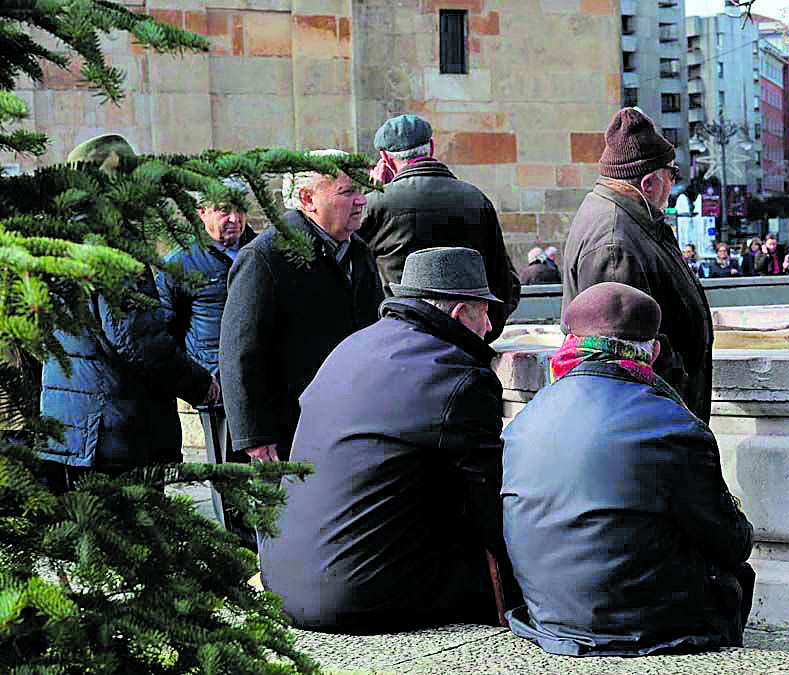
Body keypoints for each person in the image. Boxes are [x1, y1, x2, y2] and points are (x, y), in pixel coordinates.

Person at [259, 247, 519, 633]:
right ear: (459, 313)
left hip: (280, 577)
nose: (488, 327)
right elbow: (493, 501)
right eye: (485, 312)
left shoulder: (353, 346)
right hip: (354, 594)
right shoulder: (457, 376)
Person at [502, 282, 754, 657]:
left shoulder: (526, 418)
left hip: (548, 619)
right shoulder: (672, 424)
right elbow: (732, 542)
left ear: (571, 343)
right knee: (733, 575)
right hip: (649, 628)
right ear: (652, 351)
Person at [40, 134, 219, 492]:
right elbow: (135, 339)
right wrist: (202, 386)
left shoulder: (57, 241)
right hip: (115, 433)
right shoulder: (109, 244)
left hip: (71, 431)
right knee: (136, 541)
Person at [220, 150, 384, 465]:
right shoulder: (265, 256)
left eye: (362, 190)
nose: (361, 200)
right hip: (290, 431)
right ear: (307, 199)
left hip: (353, 422)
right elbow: (240, 351)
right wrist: (254, 435)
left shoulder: (360, 253)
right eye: (348, 191)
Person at [561, 107, 714, 423]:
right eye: (671, 174)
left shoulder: (630, 219)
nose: (673, 184)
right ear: (649, 182)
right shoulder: (615, 240)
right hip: (650, 423)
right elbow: (621, 348)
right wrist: (680, 398)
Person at [358, 114, 520, 343]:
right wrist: (484, 331)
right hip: (466, 335)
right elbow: (502, 280)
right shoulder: (475, 199)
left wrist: (373, 193)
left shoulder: (376, 204)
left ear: (385, 157)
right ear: (431, 146)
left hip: (400, 336)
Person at [157, 177, 257, 543]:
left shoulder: (261, 249)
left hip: (261, 376)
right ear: (201, 214)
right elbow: (167, 329)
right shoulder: (180, 262)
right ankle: (238, 543)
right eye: (222, 211)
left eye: (239, 210)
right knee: (228, 471)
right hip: (217, 385)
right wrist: (198, 381)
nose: (233, 219)